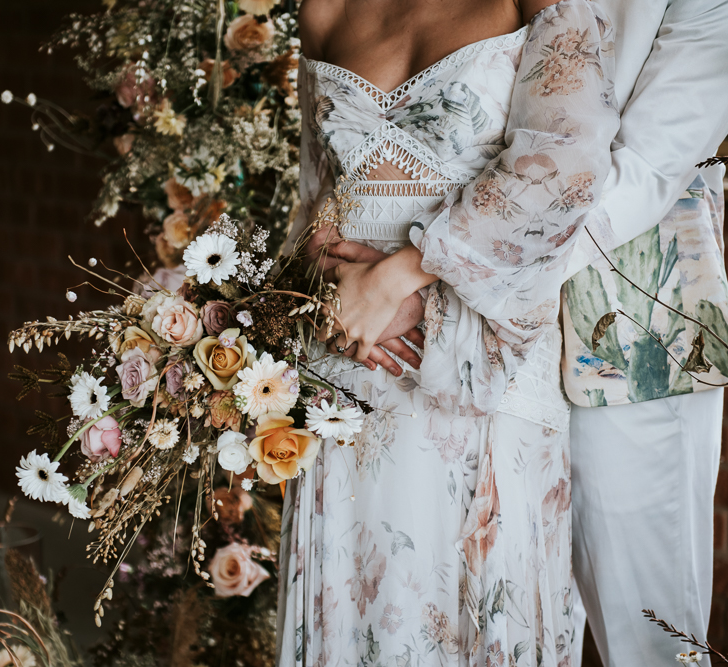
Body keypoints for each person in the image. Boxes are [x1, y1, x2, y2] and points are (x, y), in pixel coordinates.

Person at [298, 1, 728, 665]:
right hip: (430, 315)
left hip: (629, 322)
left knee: (645, 630)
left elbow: (643, 169)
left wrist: (431, 275)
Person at [278, 0, 619, 664]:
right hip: (348, 362)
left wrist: (403, 277)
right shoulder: (323, 7)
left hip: (479, 355)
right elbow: (313, 193)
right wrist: (322, 287)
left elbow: (565, 167)